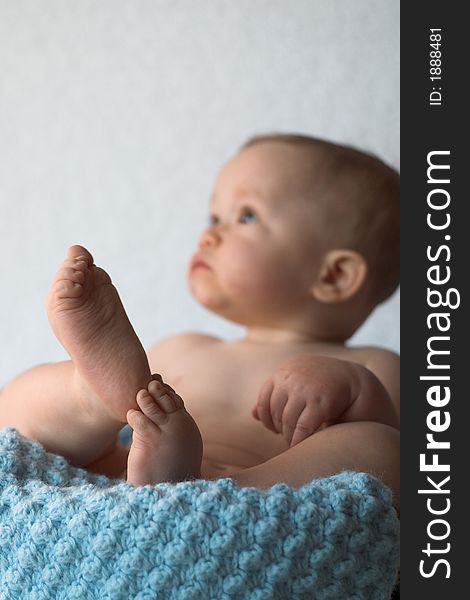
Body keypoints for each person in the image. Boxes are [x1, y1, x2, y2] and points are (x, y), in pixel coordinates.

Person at [0, 134, 400, 507]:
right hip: (119, 475)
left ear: (335, 276)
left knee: (384, 447)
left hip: (256, 499)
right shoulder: (186, 347)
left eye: (245, 216)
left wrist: (355, 389)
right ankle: (90, 393)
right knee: (23, 406)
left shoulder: (373, 364)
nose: (208, 235)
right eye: (214, 217)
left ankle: (189, 485)